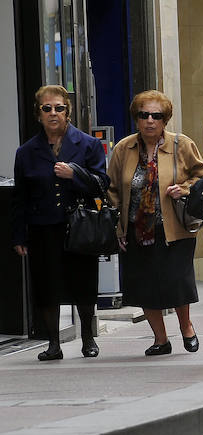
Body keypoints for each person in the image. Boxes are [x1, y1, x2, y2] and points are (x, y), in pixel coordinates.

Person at [11, 85, 108, 361]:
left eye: (59, 108)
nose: (53, 113)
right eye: (47, 108)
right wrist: (19, 235)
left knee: (84, 282)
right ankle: (53, 343)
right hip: (42, 228)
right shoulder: (26, 152)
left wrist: (73, 175)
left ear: (68, 111)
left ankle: (88, 339)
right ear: (38, 114)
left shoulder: (87, 144)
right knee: (46, 284)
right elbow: (20, 197)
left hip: (79, 225)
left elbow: (102, 185)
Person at [108, 91, 203, 356]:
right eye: (144, 115)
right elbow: (113, 189)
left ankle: (186, 327)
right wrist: (117, 226)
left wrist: (183, 188)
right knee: (144, 284)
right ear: (136, 119)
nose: (150, 120)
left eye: (156, 115)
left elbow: (202, 177)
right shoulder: (123, 148)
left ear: (165, 120)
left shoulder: (181, 145)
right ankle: (160, 339)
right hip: (137, 229)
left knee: (176, 281)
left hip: (173, 227)